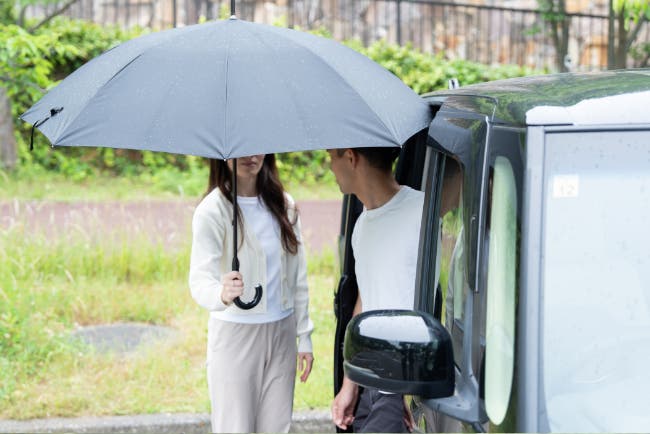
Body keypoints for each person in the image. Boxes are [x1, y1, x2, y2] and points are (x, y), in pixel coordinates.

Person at [189, 154, 314, 433]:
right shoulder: (212, 210)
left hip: (282, 332)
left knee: (277, 427)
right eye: (243, 149)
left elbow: (298, 277)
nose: (252, 155)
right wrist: (221, 293)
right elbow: (199, 279)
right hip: (236, 336)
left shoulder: (284, 204)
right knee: (235, 427)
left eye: (259, 147)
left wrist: (304, 336)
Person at [328, 146, 424, 433]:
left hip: (400, 388)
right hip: (370, 384)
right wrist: (350, 383)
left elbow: (441, 301)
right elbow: (365, 302)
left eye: (331, 156)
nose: (330, 167)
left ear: (351, 157)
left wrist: (408, 388)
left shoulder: (422, 212)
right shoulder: (362, 225)